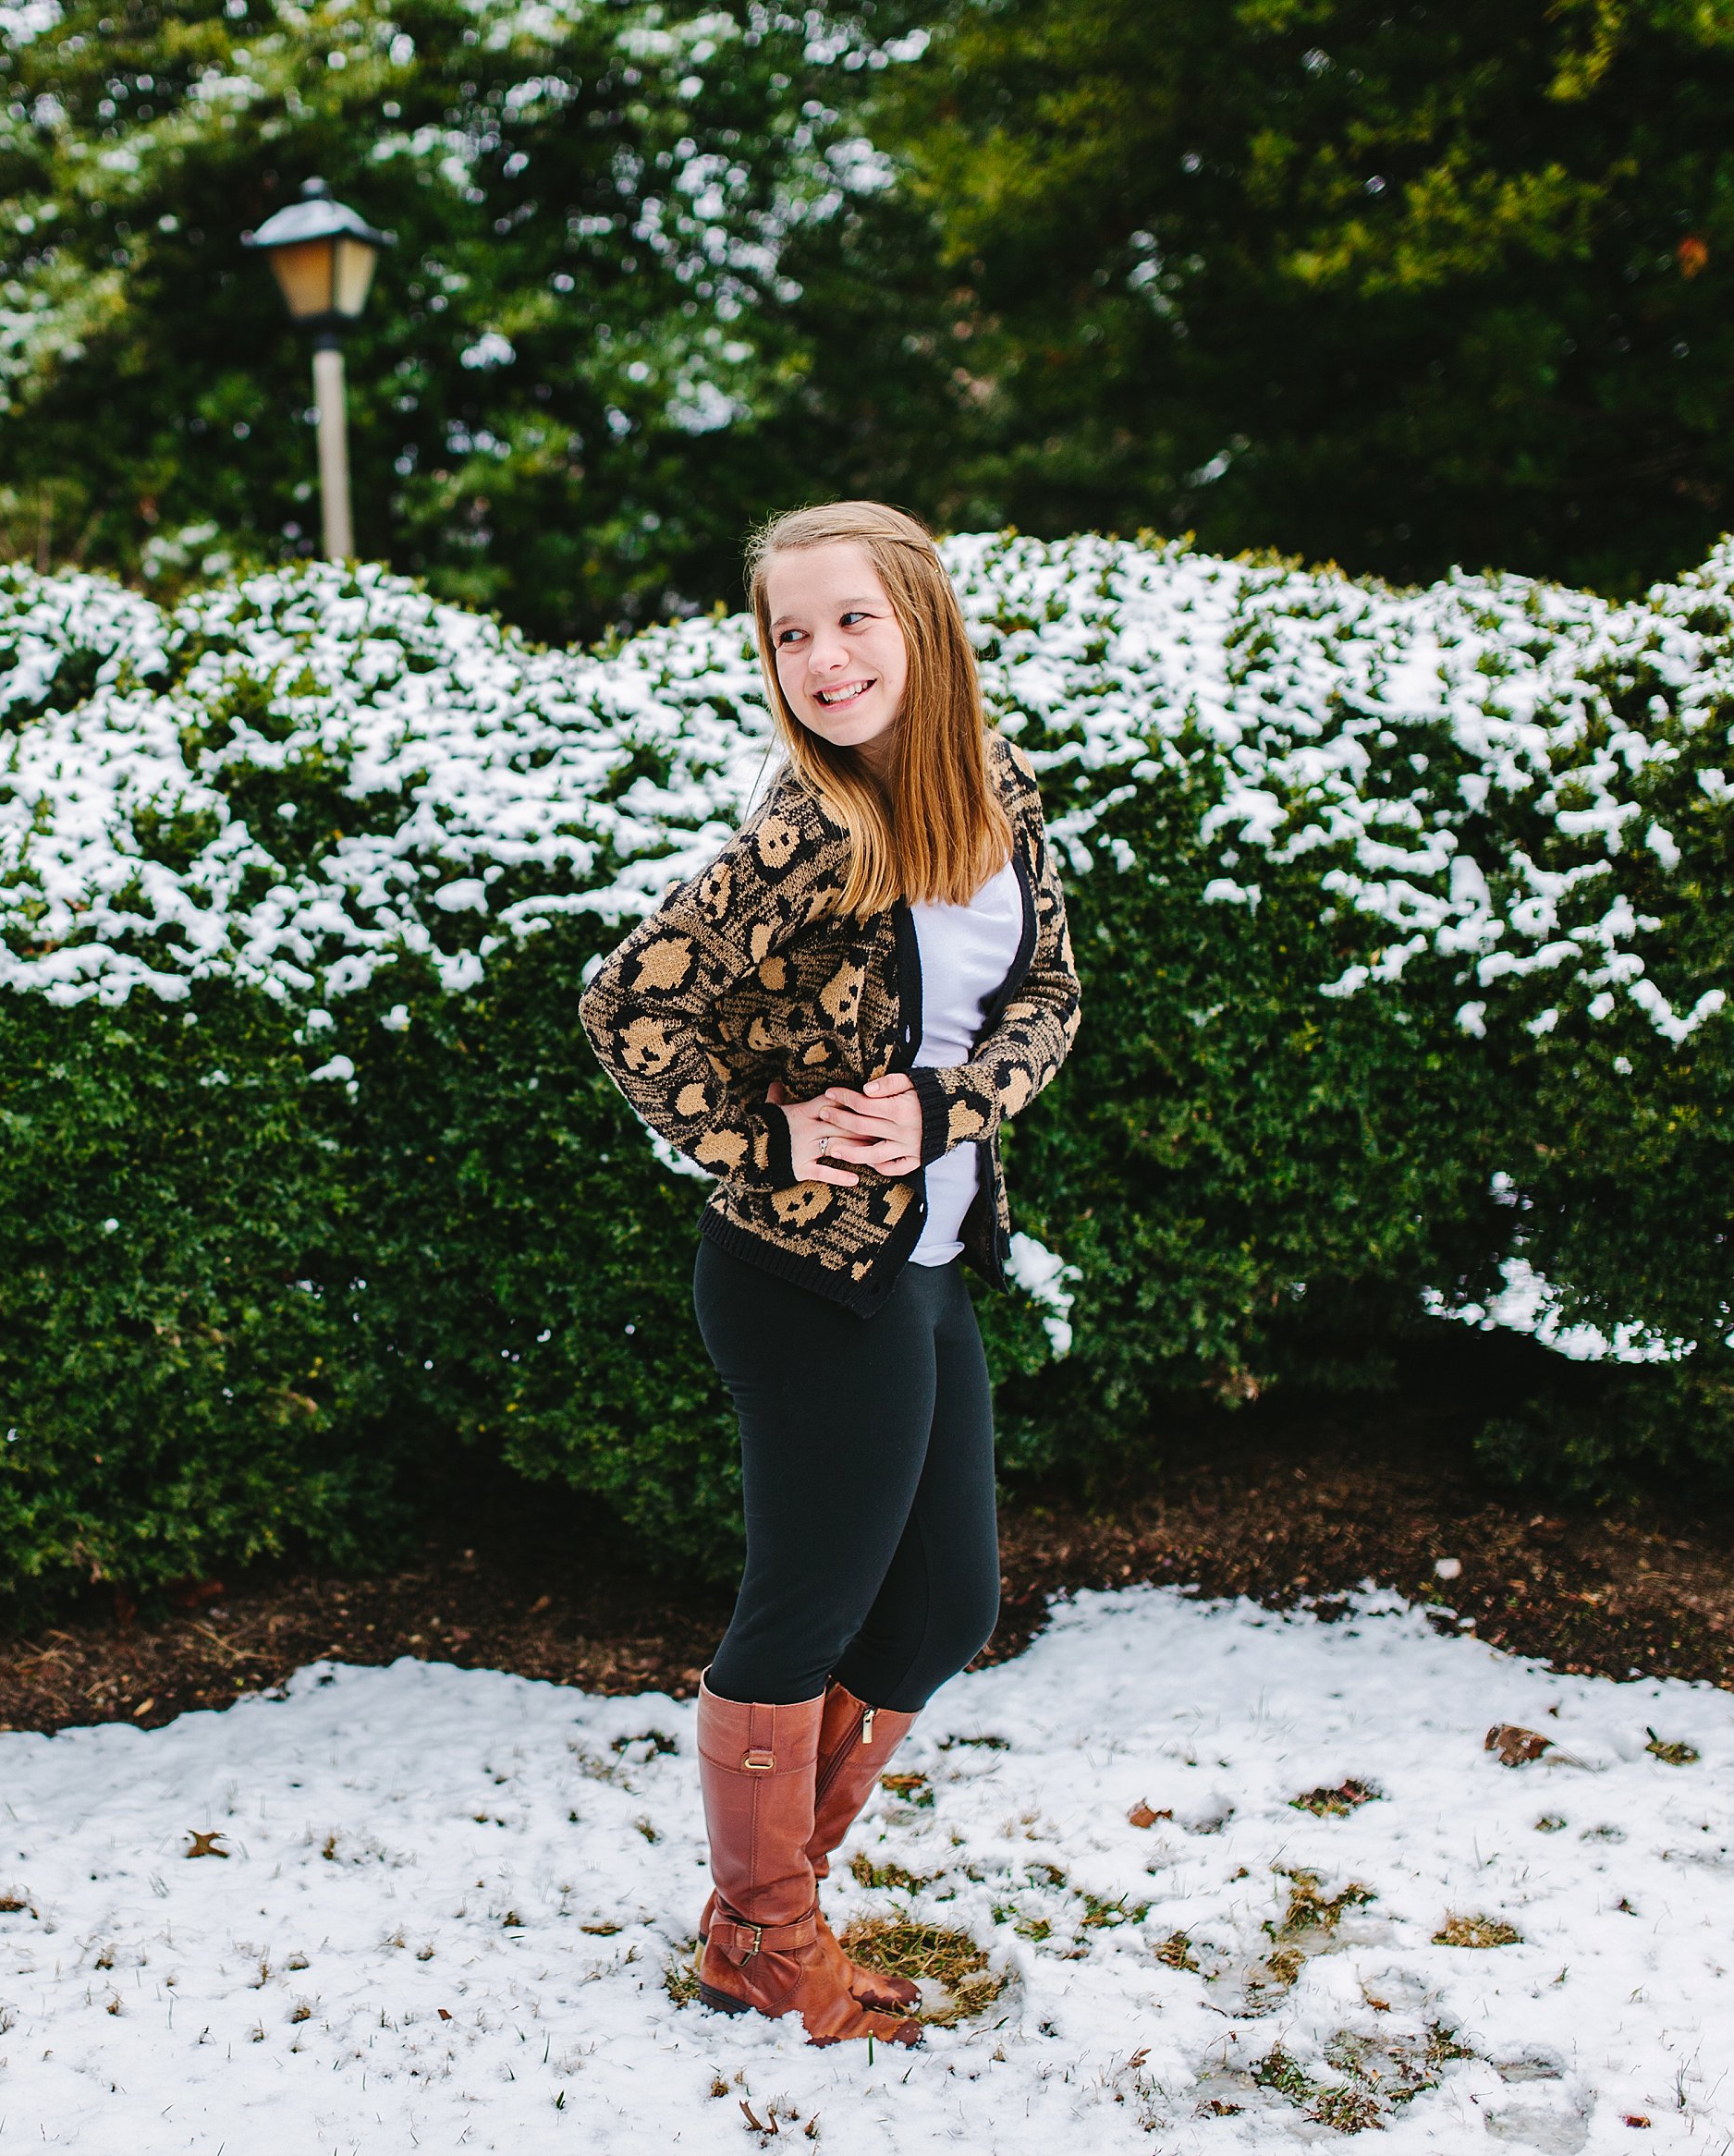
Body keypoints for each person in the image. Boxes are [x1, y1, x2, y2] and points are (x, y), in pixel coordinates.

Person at [579, 501, 1082, 2045]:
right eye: (791, 632)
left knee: (945, 1607)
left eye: (851, 618)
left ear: (922, 621)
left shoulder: (993, 792)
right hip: (805, 1281)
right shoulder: (805, 831)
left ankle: (760, 1911)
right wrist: (764, 1142)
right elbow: (624, 1005)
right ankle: (770, 1941)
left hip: (925, 1261)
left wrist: (946, 1108)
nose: (822, 656)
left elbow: (1048, 992)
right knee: (800, 1616)